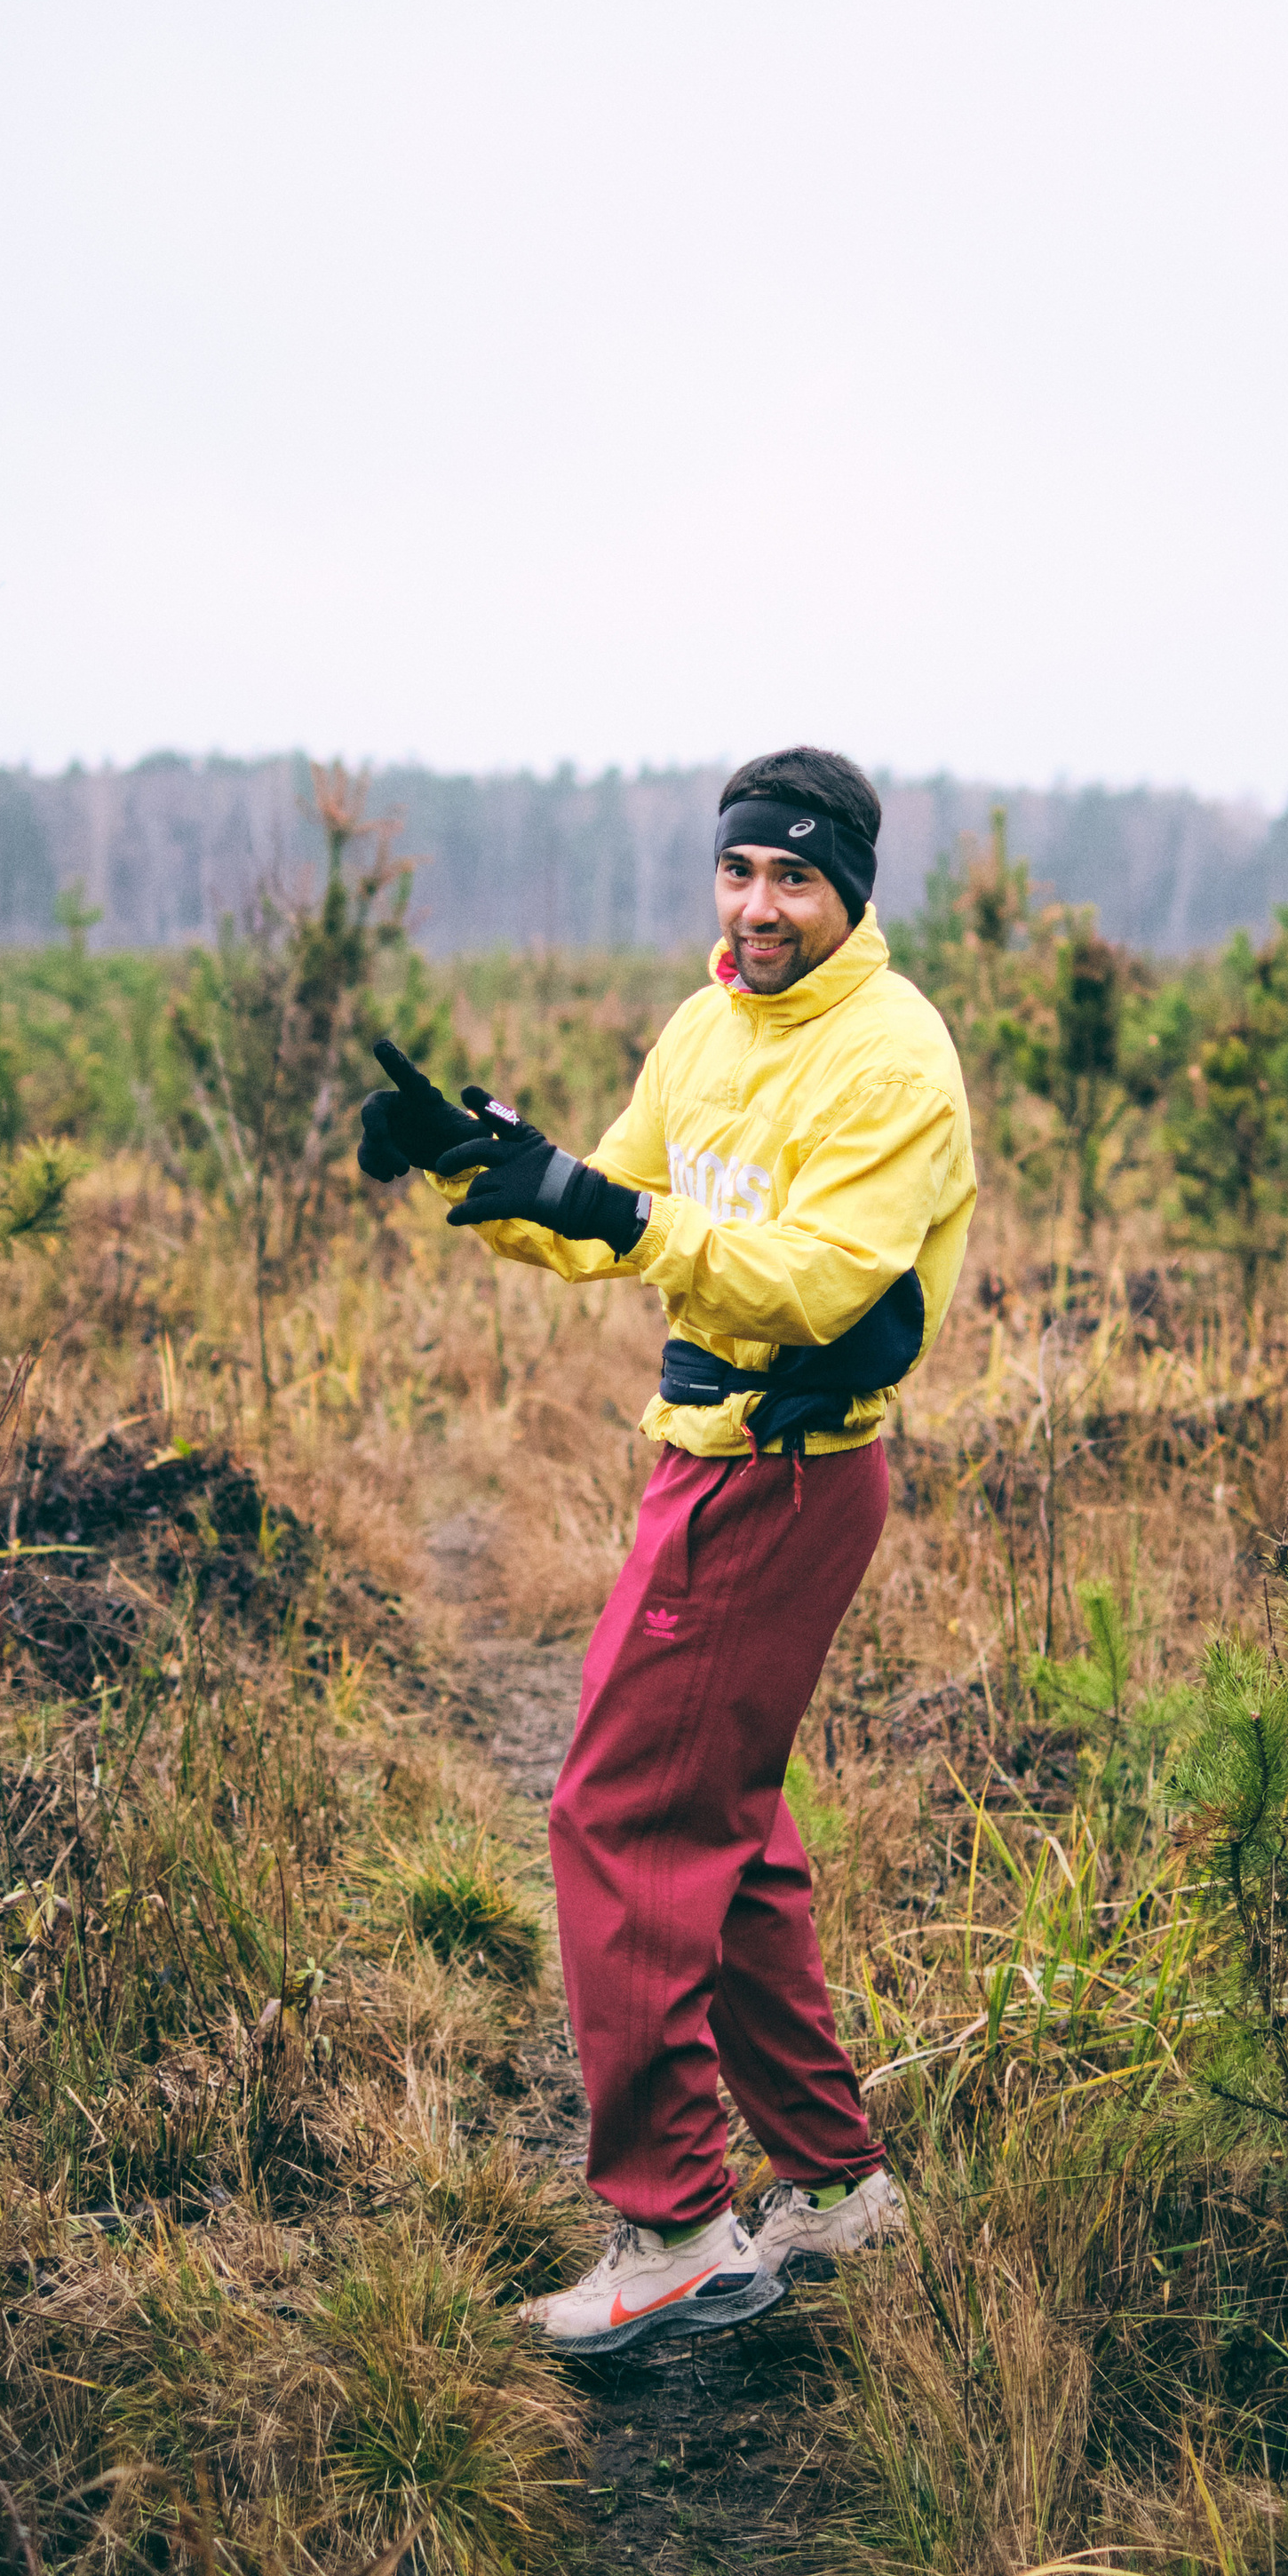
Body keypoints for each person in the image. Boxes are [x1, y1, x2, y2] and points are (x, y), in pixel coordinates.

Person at [357, 747, 975, 2355]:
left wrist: (616, 1215)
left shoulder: (892, 1060)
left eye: (794, 878)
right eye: (738, 870)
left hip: (783, 1472)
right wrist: (478, 1162)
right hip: (704, 1458)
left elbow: (816, 1283)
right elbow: (613, 1206)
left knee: (620, 1818)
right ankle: (833, 2184)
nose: (759, 907)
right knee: (728, 1825)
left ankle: (677, 2229)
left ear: (850, 892)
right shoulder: (708, 1028)